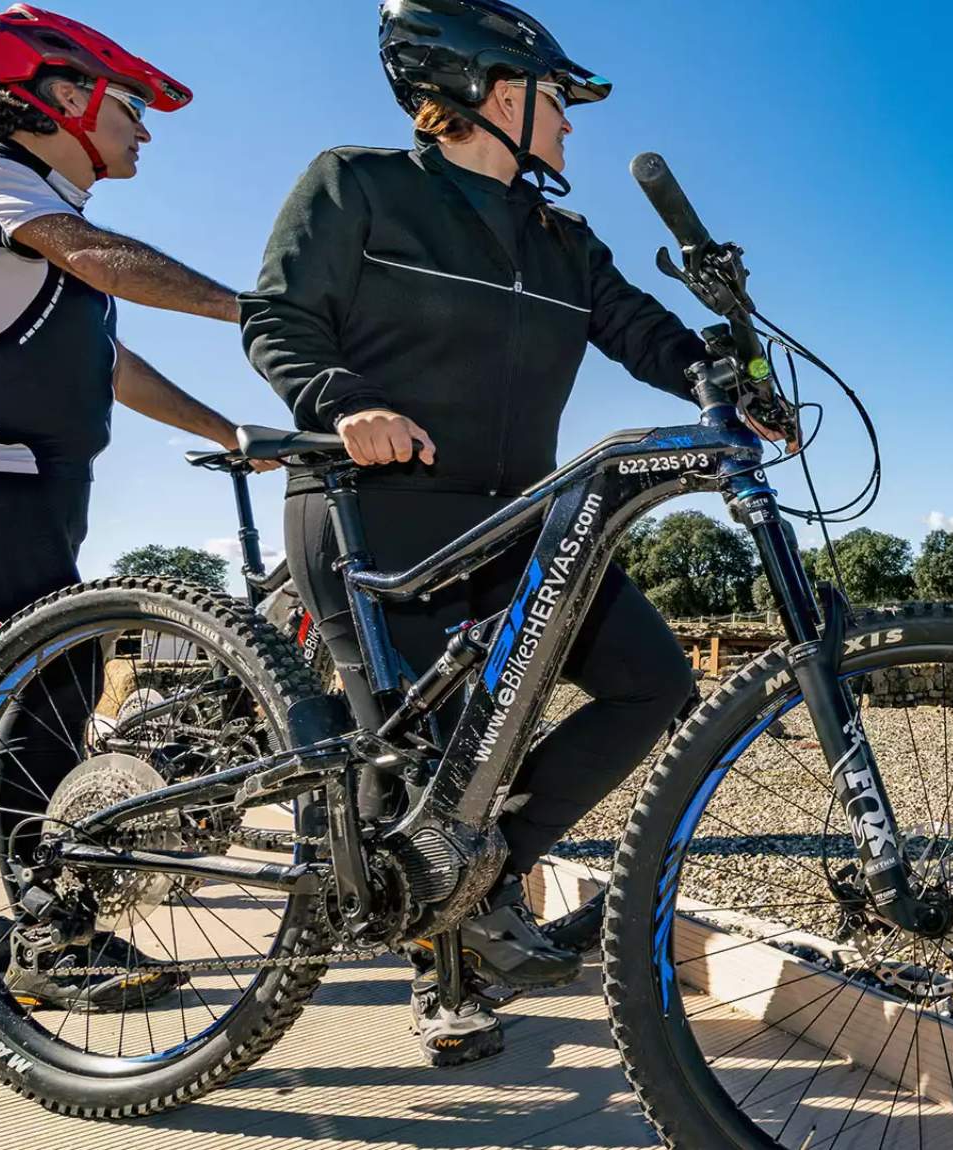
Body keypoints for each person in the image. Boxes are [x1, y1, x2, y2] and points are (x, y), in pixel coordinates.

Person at [242, 0, 775, 1066]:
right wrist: (345, 402)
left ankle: (487, 879)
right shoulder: (358, 185)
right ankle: (446, 978)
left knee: (649, 681)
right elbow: (279, 317)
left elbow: (642, 331)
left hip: (518, 521)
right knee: (429, 754)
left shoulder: (561, 240)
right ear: (486, 92)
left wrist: (724, 379)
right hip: (373, 508)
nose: (569, 122)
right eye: (555, 99)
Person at [0, 5, 266, 1005]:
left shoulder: (35, 220)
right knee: (53, 669)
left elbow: (109, 364)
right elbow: (90, 253)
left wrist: (229, 430)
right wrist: (254, 307)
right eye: (131, 108)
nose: (144, 132)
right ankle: (50, 937)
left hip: (6, 481)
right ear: (65, 97)